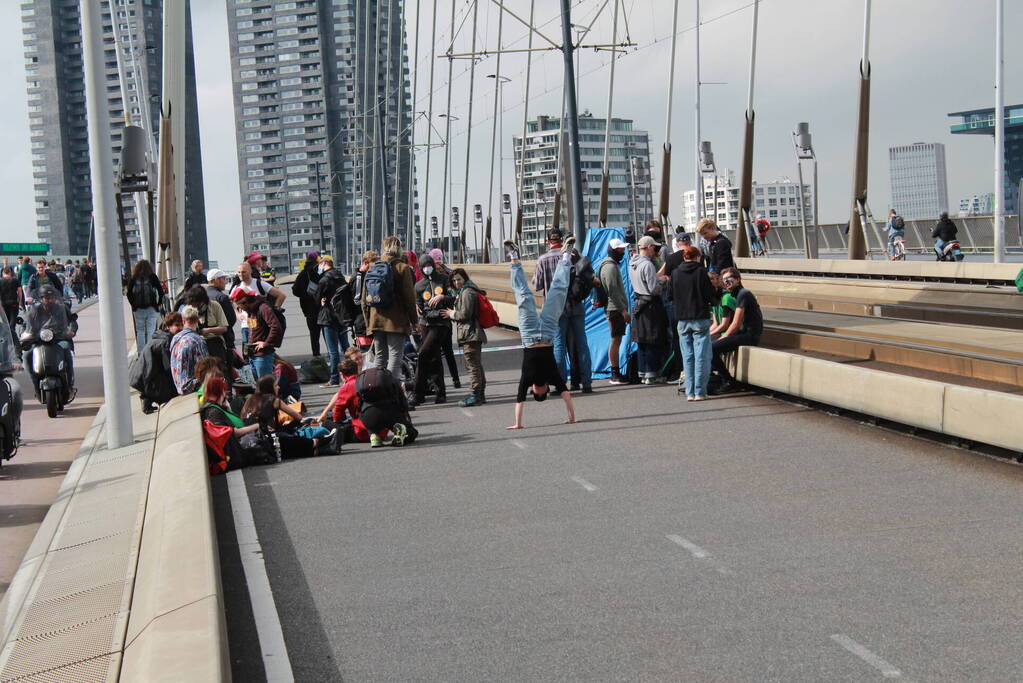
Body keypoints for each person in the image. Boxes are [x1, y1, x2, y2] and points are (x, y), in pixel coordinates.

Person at [504, 240, 577, 430]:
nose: (536, 389)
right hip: (547, 334)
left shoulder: (527, 380)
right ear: (544, 391)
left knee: (523, 296)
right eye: (539, 392)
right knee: (558, 293)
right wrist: (572, 417)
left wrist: (517, 424)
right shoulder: (553, 378)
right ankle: (567, 256)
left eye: (535, 392)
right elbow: (566, 396)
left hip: (528, 336)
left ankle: (514, 257)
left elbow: (519, 401)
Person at [533, 229, 592, 393]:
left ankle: (560, 384)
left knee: (558, 347)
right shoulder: (574, 255)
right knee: (582, 345)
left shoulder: (543, 259)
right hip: (576, 305)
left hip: (556, 310)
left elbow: (537, 285)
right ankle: (586, 383)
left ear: (548, 241)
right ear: (562, 239)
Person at [361, 236, 417, 378]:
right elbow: (409, 298)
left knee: (380, 358)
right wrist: (414, 321)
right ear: (399, 249)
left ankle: (379, 391)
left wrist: (369, 324)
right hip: (396, 322)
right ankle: (393, 393)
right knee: (395, 358)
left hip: (376, 321)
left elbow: (363, 301)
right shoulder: (402, 268)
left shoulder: (373, 268)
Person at [671, 246, 717, 401]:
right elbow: (709, 294)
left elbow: (670, 295)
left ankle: (689, 392)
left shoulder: (675, 273)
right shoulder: (701, 272)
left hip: (682, 320)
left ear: (684, 258)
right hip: (700, 318)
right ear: (698, 257)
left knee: (688, 357)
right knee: (701, 356)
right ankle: (700, 392)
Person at [241, 375, 326, 457]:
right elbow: (298, 417)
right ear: (270, 388)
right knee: (302, 441)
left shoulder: (250, 399)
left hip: (248, 438)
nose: (278, 387)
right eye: (276, 385)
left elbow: (243, 417)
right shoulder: (274, 400)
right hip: (267, 438)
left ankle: (315, 448)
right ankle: (322, 441)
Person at [710, 268, 762, 394]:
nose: (726, 282)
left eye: (729, 279)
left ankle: (728, 381)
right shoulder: (737, 294)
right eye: (724, 280)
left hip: (750, 335)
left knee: (710, 348)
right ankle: (718, 378)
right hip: (744, 333)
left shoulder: (743, 294)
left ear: (738, 279)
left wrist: (723, 338)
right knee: (711, 345)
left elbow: (735, 324)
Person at [441, 267, 487, 407]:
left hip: (470, 334)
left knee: (472, 366)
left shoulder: (467, 293)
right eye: (454, 280)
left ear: (464, 279)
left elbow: (465, 314)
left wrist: (451, 314)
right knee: (476, 365)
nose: (456, 283)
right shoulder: (466, 291)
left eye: (459, 279)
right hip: (471, 333)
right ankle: (480, 394)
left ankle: (475, 395)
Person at [408, 253, 449, 406]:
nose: (427, 269)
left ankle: (418, 393)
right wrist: (417, 308)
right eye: (424, 266)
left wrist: (443, 297)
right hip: (426, 323)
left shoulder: (444, 279)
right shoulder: (418, 286)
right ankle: (440, 392)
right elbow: (418, 303)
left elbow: (453, 296)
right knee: (434, 357)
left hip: (440, 323)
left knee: (423, 353)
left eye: (429, 265)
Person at [22, 284, 77, 393]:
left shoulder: (61, 308)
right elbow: (26, 325)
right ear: (41, 299)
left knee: (66, 350)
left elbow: (72, 321)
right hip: (38, 340)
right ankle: (34, 380)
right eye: (47, 298)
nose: (49, 300)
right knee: (27, 355)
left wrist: (71, 331)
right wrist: (24, 334)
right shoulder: (34, 310)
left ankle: (69, 381)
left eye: (51, 298)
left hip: (58, 338)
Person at [629, 235, 668, 385]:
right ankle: (652, 374)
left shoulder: (632, 263)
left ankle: (643, 373)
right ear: (649, 247)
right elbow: (653, 289)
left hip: (639, 303)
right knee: (653, 339)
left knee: (641, 340)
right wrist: (662, 281)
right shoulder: (648, 265)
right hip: (651, 305)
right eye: (654, 247)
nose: (655, 250)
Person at [310, 256, 352, 386]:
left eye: (319, 265)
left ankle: (334, 378)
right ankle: (352, 373)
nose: (319, 268)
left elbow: (316, 299)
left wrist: (321, 299)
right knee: (345, 347)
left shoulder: (324, 280)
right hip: (341, 316)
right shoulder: (341, 277)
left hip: (328, 317)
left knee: (333, 351)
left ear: (324, 263)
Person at [355, 364, 417, 447]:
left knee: (372, 425)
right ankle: (400, 434)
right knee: (412, 433)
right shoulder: (390, 378)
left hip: (368, 415)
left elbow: (358, 404)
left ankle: (374, 436)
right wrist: (404, 416)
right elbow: (403, 401)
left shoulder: (360, 381)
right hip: (390, 412)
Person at [230, 261, 286, 351]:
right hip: (246, 326)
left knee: (261, 350)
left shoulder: (259, 283)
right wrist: (237, 314)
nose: (241, 274)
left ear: (250, 271)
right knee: (248, 353)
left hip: (260, 326)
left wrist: (274, 310)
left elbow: (281, 296)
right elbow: (230, 302)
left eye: (244, 272)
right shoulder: (236, 287)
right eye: (239, 272)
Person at [597, 238, 631, 385]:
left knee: (616, 339)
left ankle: (615, 372)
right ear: (614, 250)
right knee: (616, 340)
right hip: (614, 309)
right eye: (620, 249)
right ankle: (615, 373)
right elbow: (613, 290)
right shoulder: (610, 267)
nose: (623, 252)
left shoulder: (606, 264)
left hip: (614, 308)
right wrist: (623, 310)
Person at [232, 290, 283, 380]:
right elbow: (253, 331)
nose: (242, 310)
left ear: (245, 303)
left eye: (241, 307)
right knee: (259, 385)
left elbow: (275, 326)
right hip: (253, 355)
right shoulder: (251, 311)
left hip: (263, 355)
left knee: (266, 385)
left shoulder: (263, 308)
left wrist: (266, 343)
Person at [427, 248, 460, 388]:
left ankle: (453, 380)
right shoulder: (446, 274)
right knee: (442, 352)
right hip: (436, 318)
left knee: (445, 352)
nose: (437, 266)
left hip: (442, 317)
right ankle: (448, 380)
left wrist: (442, 297)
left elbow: (454, 297)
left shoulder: (446, 276)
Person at [136, 312, 182, 413]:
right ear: (167, 327)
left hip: (145, 374)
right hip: (148, 375)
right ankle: (148, 398)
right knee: (169, 389)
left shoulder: (162, 336)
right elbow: (168, 366)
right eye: (177, 325)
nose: (180, 328)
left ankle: (147, 399)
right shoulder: (166, 341)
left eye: (182, 325)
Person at [181, 285, 230, 369]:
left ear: (203, 300)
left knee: (218, 370)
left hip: (214, 344)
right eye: (193, 304)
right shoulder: (187, 308)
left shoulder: (214, 305)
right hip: (195, 344)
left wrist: (208, 330)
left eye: (197, 304)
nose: (195, 306)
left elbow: (224, 328)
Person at [126, 259, 166, 355]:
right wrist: (158, 304)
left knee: (140, 331)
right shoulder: (152, 277)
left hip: (138, 309)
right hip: (151, 308)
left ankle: (141, 353)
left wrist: (134, 305)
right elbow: (161, 292)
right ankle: (149, 353)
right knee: (150, 330)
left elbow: (128, 294)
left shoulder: (134, 277)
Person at [170, 305, 209, 394]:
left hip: (178, 387)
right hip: (191, 388)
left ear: (183, 321)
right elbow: (205, 369)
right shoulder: (198, 341)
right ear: (197, 320)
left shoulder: (175, 338)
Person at [292, 251, 323, 358]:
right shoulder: (320, 271)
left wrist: (305, 296)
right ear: (317, 259)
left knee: (314, 335)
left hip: (309, 309)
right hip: (322, 307)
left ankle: (316, 356)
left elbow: (295, 290)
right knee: (328, 334)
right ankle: (333, 356)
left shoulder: (303, 274)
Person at [203, 269, 237, 351]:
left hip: (205, 339)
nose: (225, 282)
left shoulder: (202, 295)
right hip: (223, 340)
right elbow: (231, 320)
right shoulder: (222, 297)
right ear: (217, 280)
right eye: (224, 279)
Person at [707, 271, 736, 339]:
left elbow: (724, 325)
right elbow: (716, 324)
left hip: (730, 334)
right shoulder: (714, 299)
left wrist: (708, 335)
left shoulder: (726, 298)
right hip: (721, 332)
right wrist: (706, 334)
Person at [0, 267, 21, 333]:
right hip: (14, 303)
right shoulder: (15, 280)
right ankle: (13, 338)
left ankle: (8, 340)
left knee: (6, 323)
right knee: (12, 323)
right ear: (10, 273)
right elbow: (20, 292)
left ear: (3, 273)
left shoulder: (0, 281)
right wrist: (20, 302)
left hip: (4, 304)